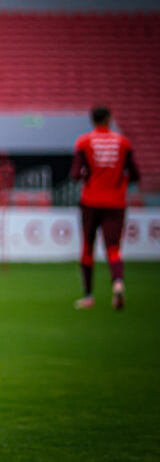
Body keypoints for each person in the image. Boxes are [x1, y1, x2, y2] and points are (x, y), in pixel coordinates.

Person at [71, 105, 140, 311]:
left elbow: (75, 174)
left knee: (87, 248)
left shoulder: (84, 142)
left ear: (92, 120)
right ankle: (117, 284)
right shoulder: (123, 142)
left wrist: (88, 178)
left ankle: (89, 297)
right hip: (116, 202)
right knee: (113, 249)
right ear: (109, 119)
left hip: (90, 200)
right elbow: (134, 174)